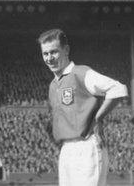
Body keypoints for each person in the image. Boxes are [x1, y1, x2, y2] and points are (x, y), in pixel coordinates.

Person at [38, 29, 127, 186]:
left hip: (86, 147)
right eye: (45, 54)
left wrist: (97, 118)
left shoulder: (81, 73)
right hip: (66, 149)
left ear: (66, 50)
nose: (49, 58)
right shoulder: (53, 85)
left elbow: (118, 89)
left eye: (54, 52)